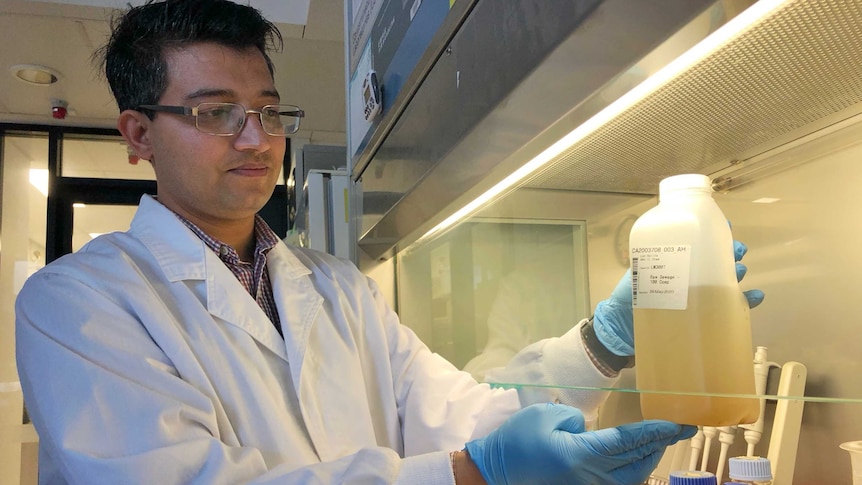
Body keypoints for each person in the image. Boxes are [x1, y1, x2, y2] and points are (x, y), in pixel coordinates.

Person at [14, 1, 763, 483]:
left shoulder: (335, 286)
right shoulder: (76, 305)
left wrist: (602, 343)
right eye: (216, 114)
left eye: (269, 112)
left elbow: (466, 413)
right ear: (138, 134)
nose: (256, 138)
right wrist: (477, 472)